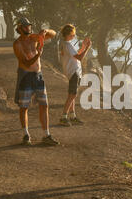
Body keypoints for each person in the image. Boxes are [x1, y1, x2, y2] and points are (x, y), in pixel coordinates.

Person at [13, 17, 59, 146]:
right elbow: (26, 63)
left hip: (38, 76)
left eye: (29, 25)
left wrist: (45, 31)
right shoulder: (18, 44)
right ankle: (26, 135)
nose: (29, 27)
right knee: (24, 107)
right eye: (26, 26)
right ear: (20, 28)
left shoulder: (34, 38)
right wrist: (39, 54)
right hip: (26, 76)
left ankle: (46, 135)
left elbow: (53, 34)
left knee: (44, 105)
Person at [57, 24, 92, 126]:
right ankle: (63, 117)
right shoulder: (67, 45)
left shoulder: (64, 43)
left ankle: (72, 116)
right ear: (68, 34)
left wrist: (83, 47)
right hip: (73, 72)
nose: (74, 36)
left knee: (72, 95)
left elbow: (76, 56)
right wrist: (87, 48)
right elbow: (80, 57)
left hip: (72, 71)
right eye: (73, 34)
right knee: (72, 94)